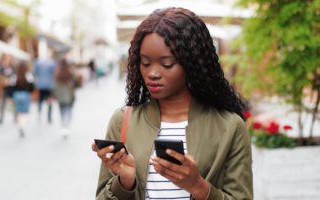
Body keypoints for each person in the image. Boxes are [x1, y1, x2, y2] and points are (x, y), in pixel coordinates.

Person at [92, 7, 253, 200]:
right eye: (145, 63)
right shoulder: (123, 121)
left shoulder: (230, 126)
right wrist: (125, 183)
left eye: (167, 64)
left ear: (192, 63)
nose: (152, 73)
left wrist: (198, 186)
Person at [52, 58, 76, 136]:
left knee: (62, 111)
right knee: (69, 111)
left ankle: (63, 125)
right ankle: (66, 126)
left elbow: (54, 86)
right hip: (69, 95)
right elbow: (75, 84)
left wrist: (54, 95)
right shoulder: (70, 73)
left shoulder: (57, 73)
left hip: (60, 96)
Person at [10, 61, 34, 138]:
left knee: (18, 111)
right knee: (24, 112)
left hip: (16, 95)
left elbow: (11, 87)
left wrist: (11, 96)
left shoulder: (14, 76)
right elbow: (32, 86)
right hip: (25, 95)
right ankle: (22, 126)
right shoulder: (28, 75)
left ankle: (20, 125)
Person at [33, 51, 56, 123]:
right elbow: (55, 73)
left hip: (40, 84)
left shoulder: (38, 62)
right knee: (49, 100)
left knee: (40, 100)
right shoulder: (52, 63)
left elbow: (34, 72)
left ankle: (39, 114)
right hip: (49, 85)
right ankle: (49, 117)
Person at [0, 54, 15, 125]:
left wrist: (11, 81)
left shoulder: (13, 67)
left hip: (12, 88)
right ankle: (1, 117)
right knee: (3, 103)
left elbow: (15, 76)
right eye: (6, 59)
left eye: (9, 59)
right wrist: (4, 81)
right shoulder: (2, 68)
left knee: (12, 103)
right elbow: (0, 76)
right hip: (5, 88)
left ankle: (14, 116)